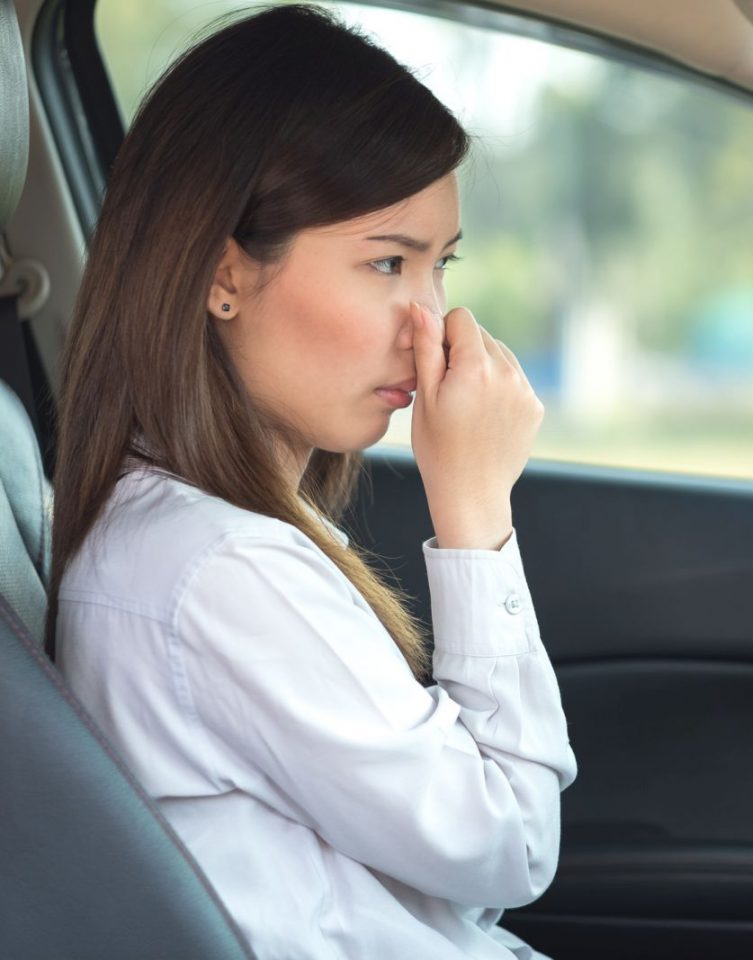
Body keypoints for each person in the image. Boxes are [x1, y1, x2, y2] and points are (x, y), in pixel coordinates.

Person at [47, 5, 577, 958]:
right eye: (388, 263)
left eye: (441, 266)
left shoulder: (200, 530)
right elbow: (513, 845)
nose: (430, 324)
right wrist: (476, 516)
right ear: (223, 276)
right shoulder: (222, 569)